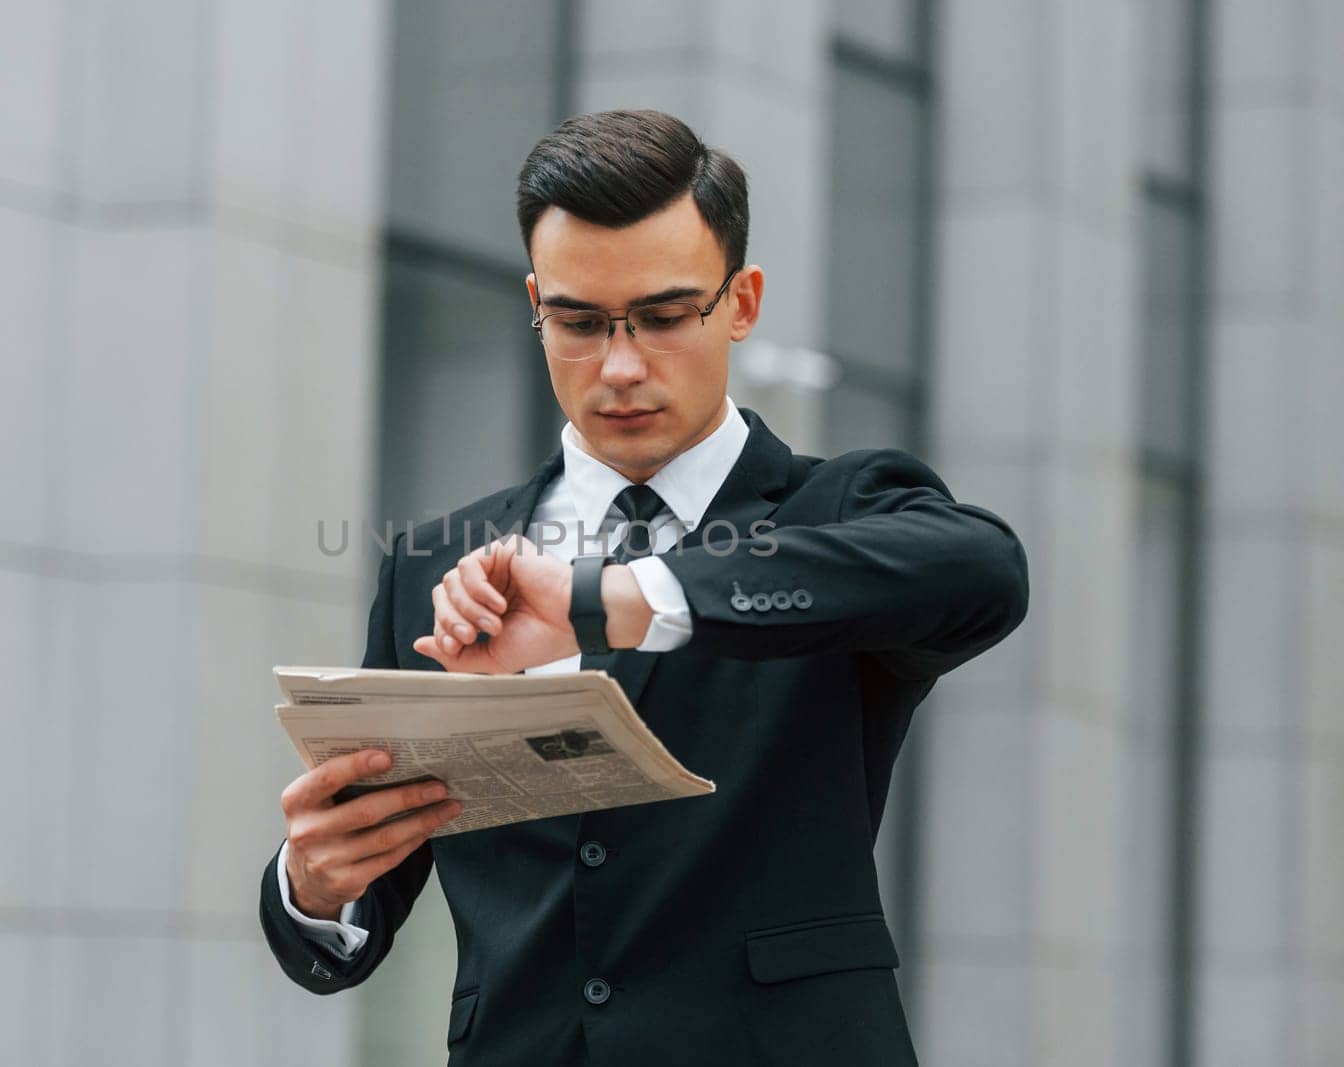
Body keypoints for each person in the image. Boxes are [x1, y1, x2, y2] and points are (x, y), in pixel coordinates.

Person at [260, 109, 1030, 1065]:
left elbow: (985, 570)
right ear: (537, 303)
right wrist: (314, 883)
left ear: (741, 303)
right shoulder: (431, 565)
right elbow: (357, 915)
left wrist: (613, 598)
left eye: (665, 317)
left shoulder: (839, 508)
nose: (620, 367)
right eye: (580, 322)